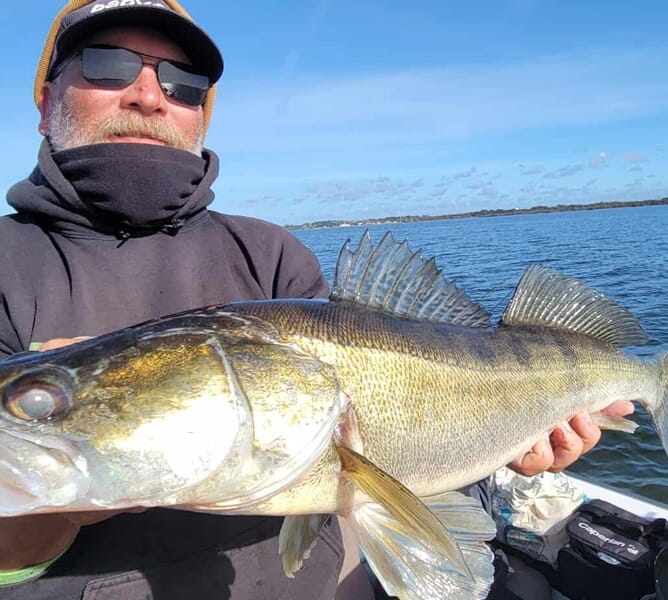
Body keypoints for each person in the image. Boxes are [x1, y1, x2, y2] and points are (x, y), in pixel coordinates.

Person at [0, 1, 630, 598]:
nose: (147, 95)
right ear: (47, 96)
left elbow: (373, 456)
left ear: (200, 114)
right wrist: (70, 495)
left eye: (182, 82)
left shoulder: (271, 253)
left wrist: (510, 435)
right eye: (107, 64)